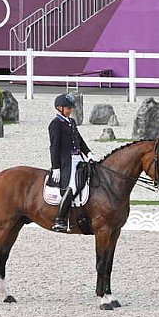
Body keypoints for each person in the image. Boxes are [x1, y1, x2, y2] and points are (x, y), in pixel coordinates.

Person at [49, 93, 96, 232]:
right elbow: (54, 147)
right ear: (59, 108)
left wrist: (88, 153)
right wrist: (56, 167)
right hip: (66, 162)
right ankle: (60, 220)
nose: (71, 110)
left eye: (71, 108)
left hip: (78, 159)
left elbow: (79, 140)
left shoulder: (71, 122)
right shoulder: (56, 124)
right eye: (68, 108)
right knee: (72, 186)